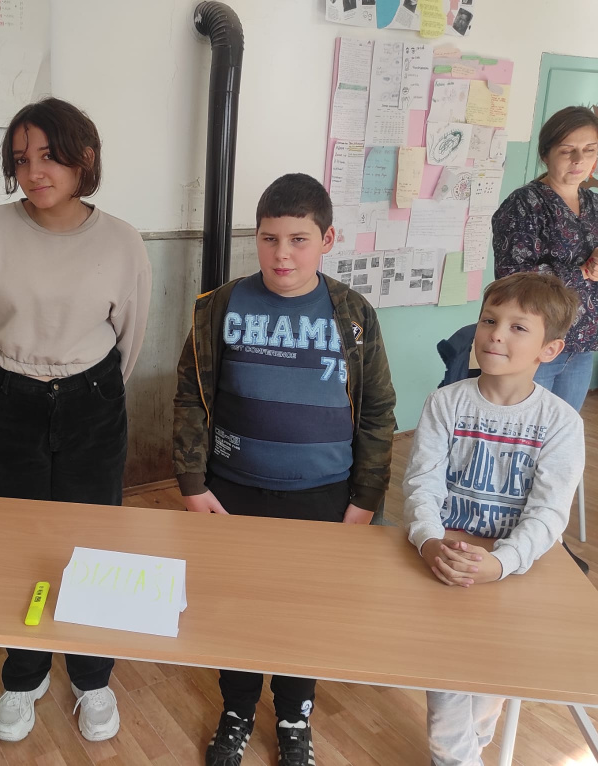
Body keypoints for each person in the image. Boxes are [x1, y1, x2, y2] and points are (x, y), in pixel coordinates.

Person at [172, 173, 397, 766]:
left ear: (327, 239)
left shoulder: (353, 315)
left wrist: (365, 498)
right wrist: (192, 484)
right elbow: (191, 396)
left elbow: (378, 410)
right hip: (233, 491)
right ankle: (238, 709)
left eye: (299, 239)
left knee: (304, 613)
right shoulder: (220, 307)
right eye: (269, 239)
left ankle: (295, 717)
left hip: (323, 495)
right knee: (236, 606)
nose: (282, 255)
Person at [0, 97, 152, 743]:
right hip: (8, 398)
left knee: (92, 540)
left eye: (48, 155)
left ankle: (92, 675)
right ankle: (25, 671)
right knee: (20, 542)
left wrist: (83, 387)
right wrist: (16, 383)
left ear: (83, 157)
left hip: (93, 399)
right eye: (20, 160)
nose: (34, 172)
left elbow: (129, 338)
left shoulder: (121, 240)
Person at [403, 272, 585, 766]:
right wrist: (429, 542)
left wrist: (501, 563)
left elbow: (549, 513)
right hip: (445, 562)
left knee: (489, 691)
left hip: (514, 574)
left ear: (550, 349)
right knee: (448, 703)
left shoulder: (561, 423)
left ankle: (470, 751)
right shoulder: (446, 403)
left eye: (518, 327)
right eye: (489, 320)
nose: (495, 335)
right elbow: (422, 485)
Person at [492, 105, 598, 412]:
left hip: (581, 344)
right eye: (567, 150)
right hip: (534, 343)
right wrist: (583, 273)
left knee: (563, 431)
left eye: (589, 150)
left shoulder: (597, 206)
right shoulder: (525, 203)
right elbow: (511, 277)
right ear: (546, 154)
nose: (579, 160)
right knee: (523, 428)